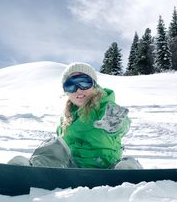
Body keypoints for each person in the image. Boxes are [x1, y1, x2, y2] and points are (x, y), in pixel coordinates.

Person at [8, 62, 141, 169]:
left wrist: (118, 124)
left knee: (127, 162)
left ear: (94, 85)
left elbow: (123, 125)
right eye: (70, 85)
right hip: (73, 168)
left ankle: (128, 171)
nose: (78, 90)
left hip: (106, 167)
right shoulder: (66, 117)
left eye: (83, 82)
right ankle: (30, 170)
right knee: (53, 145)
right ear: (66, 91)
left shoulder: (105, 107)